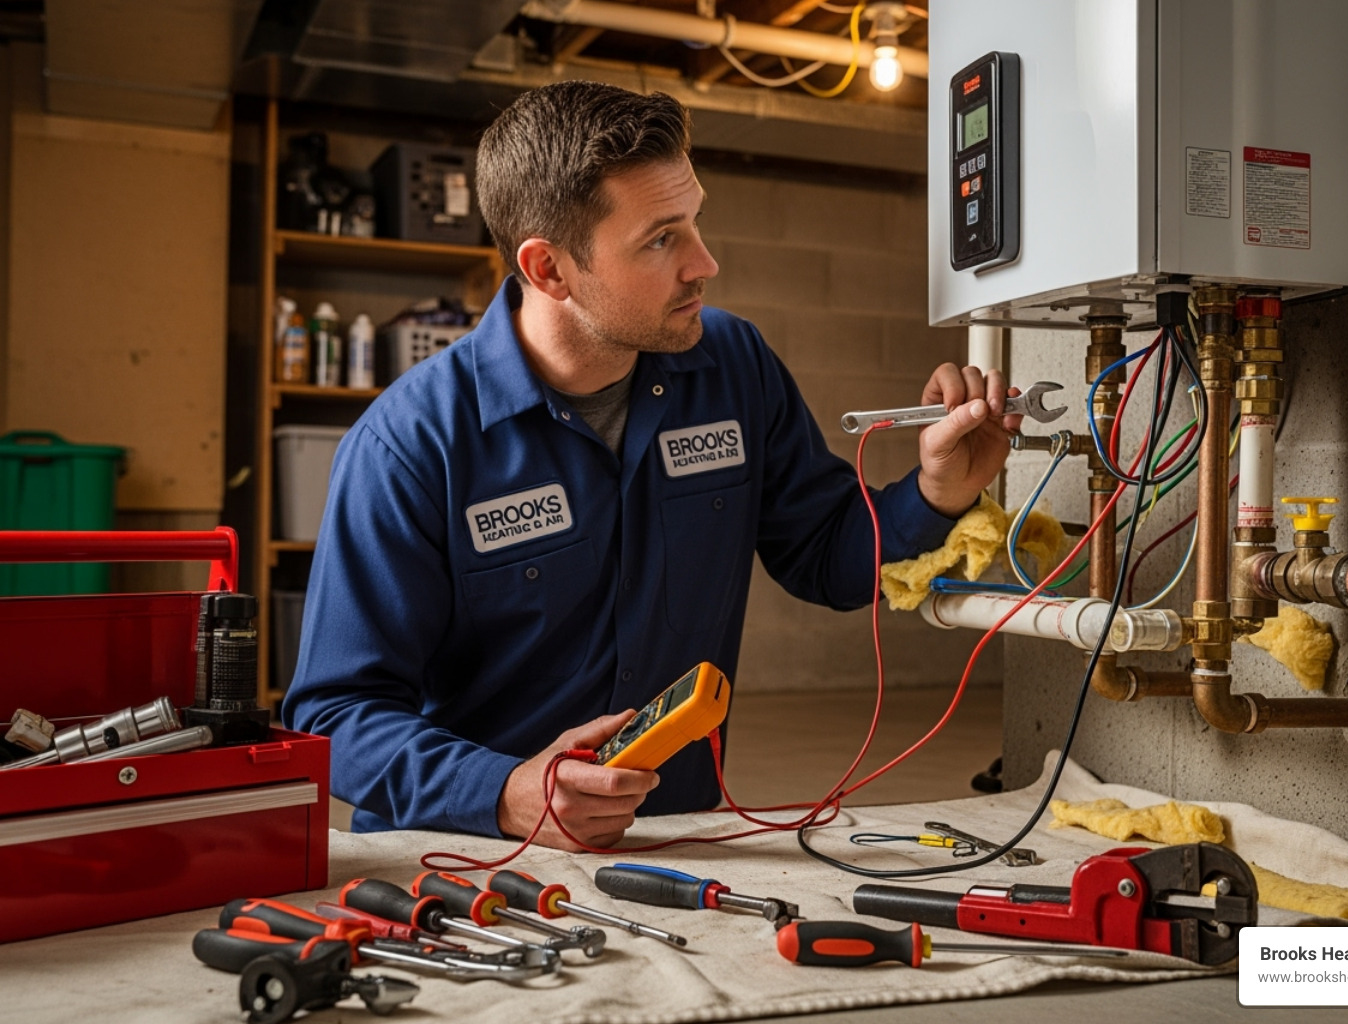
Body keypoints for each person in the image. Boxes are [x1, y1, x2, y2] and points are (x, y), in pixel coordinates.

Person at [283, 81, 1020, 850]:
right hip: (472, 856)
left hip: (669, 838)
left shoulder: (732, 365)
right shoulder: (410, 445)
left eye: (694, 221)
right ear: (550, 270)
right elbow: (335, 714)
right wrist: (503, 791)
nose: (705, 263)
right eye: (660, 239)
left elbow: (825, 556)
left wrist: (936, 493)